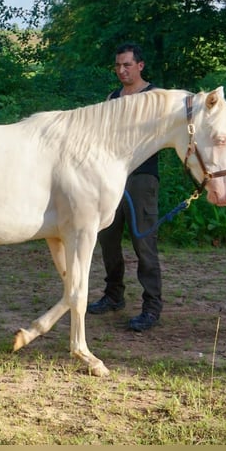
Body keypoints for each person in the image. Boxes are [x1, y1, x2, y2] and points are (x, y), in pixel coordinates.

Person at [87, 42, 163, 332]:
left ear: (140, 65)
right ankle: (113, 295)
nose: (121, 70)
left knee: (144, 243)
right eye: (118, 65)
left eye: (127, 65)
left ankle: (152, 307)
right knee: (107, 238)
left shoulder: (155, 97)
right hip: (110, 177)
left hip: (142, 178)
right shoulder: (113, 97)